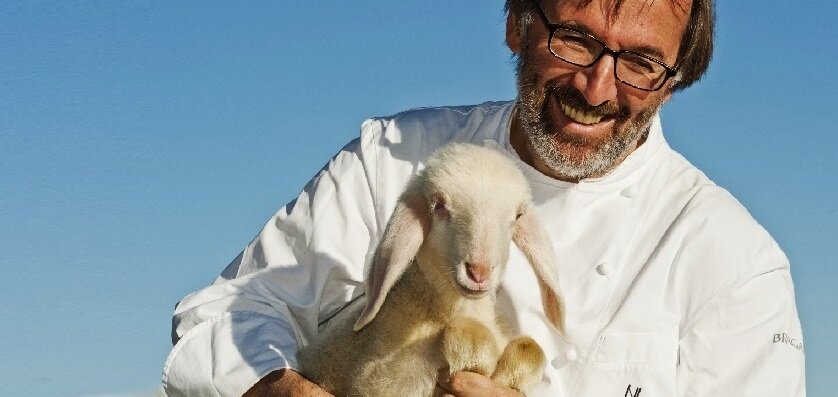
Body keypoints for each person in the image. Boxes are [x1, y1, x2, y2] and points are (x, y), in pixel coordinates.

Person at [163, 0, 806, 396]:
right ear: (516, 23)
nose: (597, 86)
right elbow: (224, 314)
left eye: (641, 62)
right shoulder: (398, 160)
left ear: (673, 83)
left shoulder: (734, 261)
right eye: (575, 38)